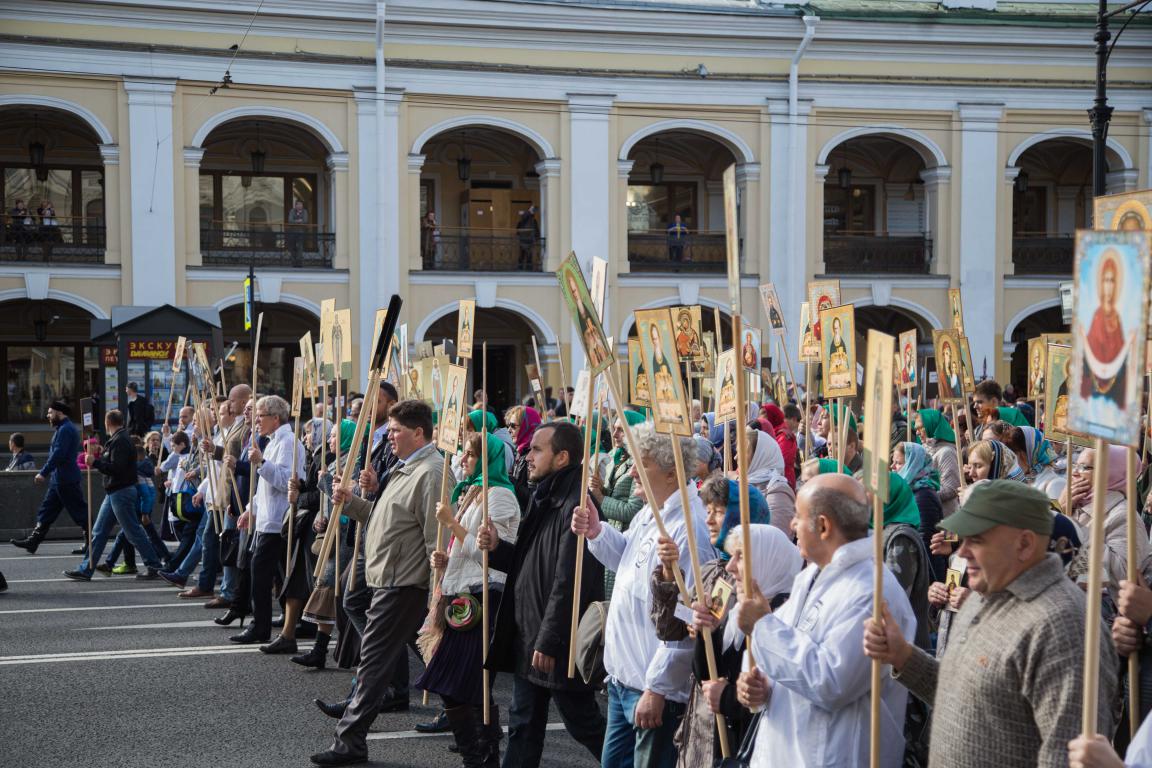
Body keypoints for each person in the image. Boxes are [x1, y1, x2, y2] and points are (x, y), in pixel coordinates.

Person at [864, 480, 1117, 766]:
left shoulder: (1064, 628)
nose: (961, 552)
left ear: (1024, 544)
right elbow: (965, 693)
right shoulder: (986, 592)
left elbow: (1065, 756)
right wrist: (903, 656)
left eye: (977, 540)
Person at [733, 472, 916, 767]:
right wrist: (759, 685)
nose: (792, 524)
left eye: (798, 516)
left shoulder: (870, 592)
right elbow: (784, 649)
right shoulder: (810, 575)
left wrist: (762, 626)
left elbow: (830, 682)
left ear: (822, 526)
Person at [571, 424, 717, 768]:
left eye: (643, 463)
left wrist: (658, 688)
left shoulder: (689, 528)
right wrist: (596, 531)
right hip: (624, 678)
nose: (633, 471)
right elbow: (627, 560)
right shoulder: (653, 509)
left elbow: (687, 619)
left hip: (651, 689)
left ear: (671, 473)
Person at [310, 400, 444, 766]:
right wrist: (352, 502)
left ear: (419, 432)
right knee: (433, 654)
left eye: (397, 431)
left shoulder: (431, 472)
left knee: (372, 662)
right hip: (389, 579)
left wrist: (436, 594)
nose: (390, 437)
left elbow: (435, 539)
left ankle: (349, 741)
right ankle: (476, 723)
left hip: (405, 583)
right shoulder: (405, 467)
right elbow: (383, 516)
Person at [477, 421, 606, 768]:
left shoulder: (577, 507)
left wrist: (549, 640)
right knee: (523, 723)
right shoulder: (545, 495)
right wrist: (498, 549)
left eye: (537, 449)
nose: (527, 456)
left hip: (554, 640)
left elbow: (569, 581)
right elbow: (531, 562)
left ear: (561, 457)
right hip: (530, 632)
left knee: (584, 724)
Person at [649, 476, 785, 766]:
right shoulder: (711, 570)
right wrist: (670, 576)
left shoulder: (765, 584)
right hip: (700, 721)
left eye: (719, 511)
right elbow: (670, 628)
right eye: (707, 510)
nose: (709, 519)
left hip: (733, 728)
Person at [421, 431, 520, 767]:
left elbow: (491, 556)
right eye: (463, 452)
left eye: (471, 454)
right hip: (461, 589)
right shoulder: (474, 490)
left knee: (454, 682)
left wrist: (452, 523)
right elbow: (465, 551)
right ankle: (484, 752)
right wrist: (446, 560)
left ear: (488, 460)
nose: (463, 459)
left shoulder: (501, 496)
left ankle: (477, 756)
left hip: (484, 596)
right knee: (468, 685)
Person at [229, 395, 304, 650]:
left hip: (278, 520)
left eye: (260, 416)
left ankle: (260, 626)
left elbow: (287, 482)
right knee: (271, 574)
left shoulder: (289, 443)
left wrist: (261, 462)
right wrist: (250, 509)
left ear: (275, 418)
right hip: (266, 519)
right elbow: (263, 485)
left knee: (261, 575)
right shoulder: (272, 442)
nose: (256, 421)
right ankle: (280, 624)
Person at [64, 410, 165, 581]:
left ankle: (154, 565)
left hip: (121, 491)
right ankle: (86, 569)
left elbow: (117, 468)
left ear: (107, 423)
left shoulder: (120, 441)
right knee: (99, 531)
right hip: (115, 492)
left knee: (133, 531)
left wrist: (95, 462)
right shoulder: (119, 439)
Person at [1062, 444, 1152, 593]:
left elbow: (1121, 577)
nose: (1074, 473)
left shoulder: (1124, 516)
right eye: (1075, 465)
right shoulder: (1074, 504)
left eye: (1085, 467)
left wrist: (1069, 525)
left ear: (1111, 473)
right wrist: (1060, 510)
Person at [11, 401, 88, 554]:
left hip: (66, 479)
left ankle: (93, 542)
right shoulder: (62, 428)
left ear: (59, 413)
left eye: (50, 412)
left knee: (79, 512)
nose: (48, 415)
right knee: (47, 511)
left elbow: (58, 454)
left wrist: (43, 472)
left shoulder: (66, 429)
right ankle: (33, 541)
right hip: (58, 479)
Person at [1081, 250, 1128, 405]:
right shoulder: (1096, 316)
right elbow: (1090, 356)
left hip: (1118, 384)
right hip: (1096, 385)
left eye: (1112, 280)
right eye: (1106, 280)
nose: (1109, 285)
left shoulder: (1119, 317)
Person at [893, 441, 946, 582]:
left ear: (913, 464)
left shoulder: (923, 495)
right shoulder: (911, 490)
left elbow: (925, 540)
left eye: (898, 463)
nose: (893, 468)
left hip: (927, 572)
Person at [739, 426, 793, 536]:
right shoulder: (741, 484)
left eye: (743, 452)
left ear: (760, 456)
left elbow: (775, 537)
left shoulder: (778, 491)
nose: (736, 457)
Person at [914, 409, 961, 517]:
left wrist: (922, 496)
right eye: (916, 429)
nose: (917, 432)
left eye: (921, 428)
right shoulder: (924, 449)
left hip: (944, 515)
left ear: (932, 426)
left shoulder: (946, 452)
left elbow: (951, 489)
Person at [516, 206, 540, 270]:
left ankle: (528, 268)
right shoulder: (523, 220)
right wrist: (529, 211)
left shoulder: (533, 221)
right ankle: (520, 267)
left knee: (529, 255)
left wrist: (536, 238)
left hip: (529, 240)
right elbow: (518, 230)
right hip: (523, 240)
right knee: (522, 254)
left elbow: (536, 230)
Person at [287, 198, 308, 264]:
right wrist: (299, 221)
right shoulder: (292, 211)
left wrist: (295, 221)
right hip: (292, 231)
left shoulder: (305, 211)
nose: (299, 206)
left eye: (301, 204)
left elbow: (305, 221)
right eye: (298, 204)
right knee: (292, 246)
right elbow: (290, 221)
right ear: (295, 205)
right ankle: (293, 261)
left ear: (302, 205)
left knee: (300, 246)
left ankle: (299, 261)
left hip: (301, 231)